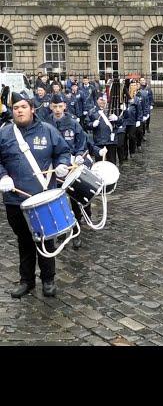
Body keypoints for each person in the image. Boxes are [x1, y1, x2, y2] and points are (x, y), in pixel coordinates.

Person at [0, 92, 72, 298]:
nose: (19, 111)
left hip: (42, 199)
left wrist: (61, 165)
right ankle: (27, 281)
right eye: (15, 108)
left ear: (32, 109)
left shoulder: (48, 131)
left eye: (23, 107)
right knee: (24, 240)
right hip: (15, 200)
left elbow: (63, 152)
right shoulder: (4, 134)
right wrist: (2, 176)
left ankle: (48, 280)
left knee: (46, 240)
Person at [47, 94, 94, 250]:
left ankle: (76, 231)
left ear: (64, 106)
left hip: (71, 166)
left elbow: (82, 142)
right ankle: (61, 230)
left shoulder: (73, 123)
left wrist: (80, 155)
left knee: (74, 200)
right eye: (55, 107)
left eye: (60, 106)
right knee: (57, 201)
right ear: (50, 107)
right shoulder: (45, 124)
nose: (58, 109)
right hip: (54, 169)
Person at [87, 94, 119, 165]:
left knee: (112, 162)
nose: (103, 101)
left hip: (111, 140)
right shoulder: (92, 112)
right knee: (99, 163)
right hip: (99, 141)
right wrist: (92, 124)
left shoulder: (112, 110)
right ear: (97, 100)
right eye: (101, 99)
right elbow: (86, 124)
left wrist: (117, 119)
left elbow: (121, 123)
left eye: (104, 99)